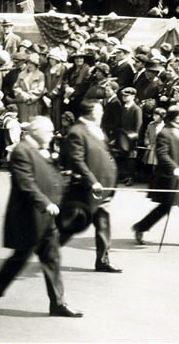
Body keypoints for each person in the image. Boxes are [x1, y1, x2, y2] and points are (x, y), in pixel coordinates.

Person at [0, 116, 82, 318]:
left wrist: (68, 181)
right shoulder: (21, 151)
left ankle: (58, 303)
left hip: (47, 218)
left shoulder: (42, 151)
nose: (51, 135)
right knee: (19, 259)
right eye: (48, 131)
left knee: (52, 259)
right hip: (28, 218)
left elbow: (51, 178)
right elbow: (26, 183)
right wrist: (45, 203)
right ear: (35, 132)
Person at [58, 100, 121, 273]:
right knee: (73, 224)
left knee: (102, 223)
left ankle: (102, 261)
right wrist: (93, 181)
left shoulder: (95, 129)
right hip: (86, 188)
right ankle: (48, 250)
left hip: (103, 187)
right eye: (100, 110)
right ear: (91, 112)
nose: (102, 113)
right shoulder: (77, 132)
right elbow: (77, 160)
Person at [132, 105, 179, 248]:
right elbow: (162, 154)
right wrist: (173, 168)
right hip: (170, 175)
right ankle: (140, 227)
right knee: (165, 207)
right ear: (177, 117)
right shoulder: (164, 133)